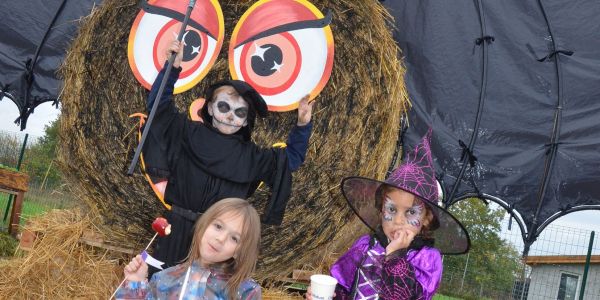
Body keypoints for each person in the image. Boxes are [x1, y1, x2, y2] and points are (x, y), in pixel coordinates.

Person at [141, 40, 314, 270]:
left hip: (217, 245)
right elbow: (159, 109)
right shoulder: (187, 132)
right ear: (210, 108)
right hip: (175, 230)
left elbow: (289, 160)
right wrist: (172, 68)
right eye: (224, 107)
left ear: (245, 120)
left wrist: (302, 125)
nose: (231, 116)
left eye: (239, 112)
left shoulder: (252, 157)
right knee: (161, 288)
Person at [308, 129, 470, 299]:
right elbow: (343, 290)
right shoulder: (364, 246)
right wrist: (329, 296)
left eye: (411, 212)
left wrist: (395, 255)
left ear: (427, 219)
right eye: (391, 209)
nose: (398, 220)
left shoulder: (426, 259)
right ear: (381, 209)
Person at [115, 198, 262, 299]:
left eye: (234, 238)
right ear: (203, 226)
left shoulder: (245, 291)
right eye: (218, 226)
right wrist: (136, 283)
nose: (221, 238)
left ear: (239, 251)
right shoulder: (165, 279)